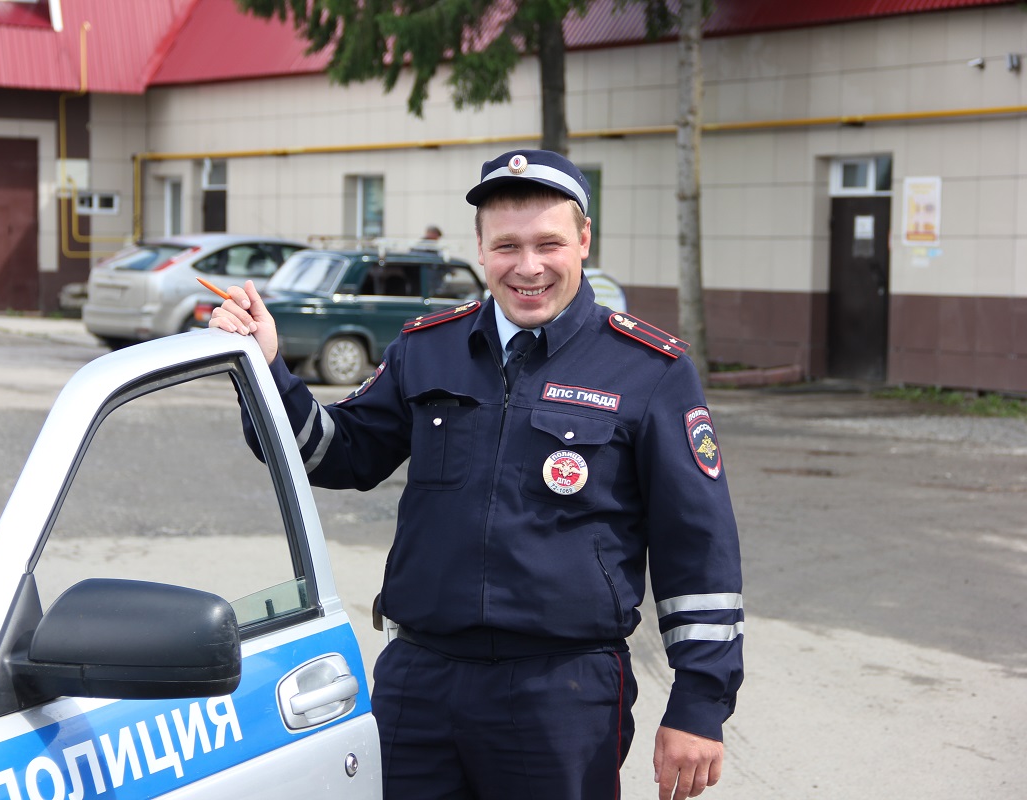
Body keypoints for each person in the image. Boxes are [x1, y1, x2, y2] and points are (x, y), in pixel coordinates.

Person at [209, 149, 744, 800]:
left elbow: (699, 546)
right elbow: (335, 452)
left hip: (563, 692)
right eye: (507, 246)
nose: (528, 267)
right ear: (481, 247)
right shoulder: (426, 347)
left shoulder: (649, 369)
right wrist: (267, 372)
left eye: (549, 242)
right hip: (421, 681)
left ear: (584, 239)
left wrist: (699, 701)